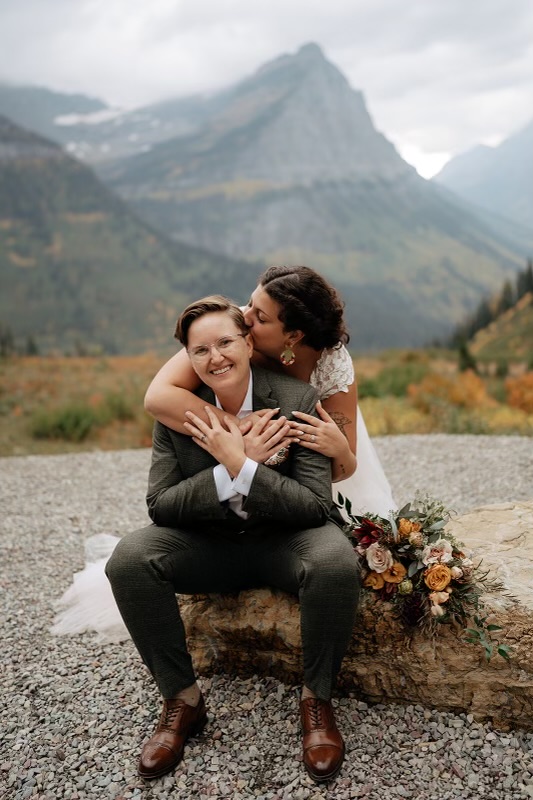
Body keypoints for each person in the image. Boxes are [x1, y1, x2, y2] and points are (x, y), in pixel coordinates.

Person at [105, 295, 360, 783]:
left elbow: (314, 506)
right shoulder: (180, 412)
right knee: (129, 559)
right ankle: (182, 700)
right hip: (211, 547)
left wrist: (244, 466)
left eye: (225, 342)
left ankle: (317, 701)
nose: (215, 357)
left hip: (283, 541)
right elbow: (160, 506)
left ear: (247, 341)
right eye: (201, 350)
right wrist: (230, 468)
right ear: (189, 358)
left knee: (334, 560)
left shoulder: (297, 400)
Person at [145, 265, 396, 517]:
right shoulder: (231, 335)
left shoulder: (332, 364)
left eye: (261, 317)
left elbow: (343, 467)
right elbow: (158, 397)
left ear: (294, 335)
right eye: (250, 303)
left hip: (304, 483)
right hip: (242, 465)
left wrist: (339, 449)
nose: (246, 317)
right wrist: (239, 431)